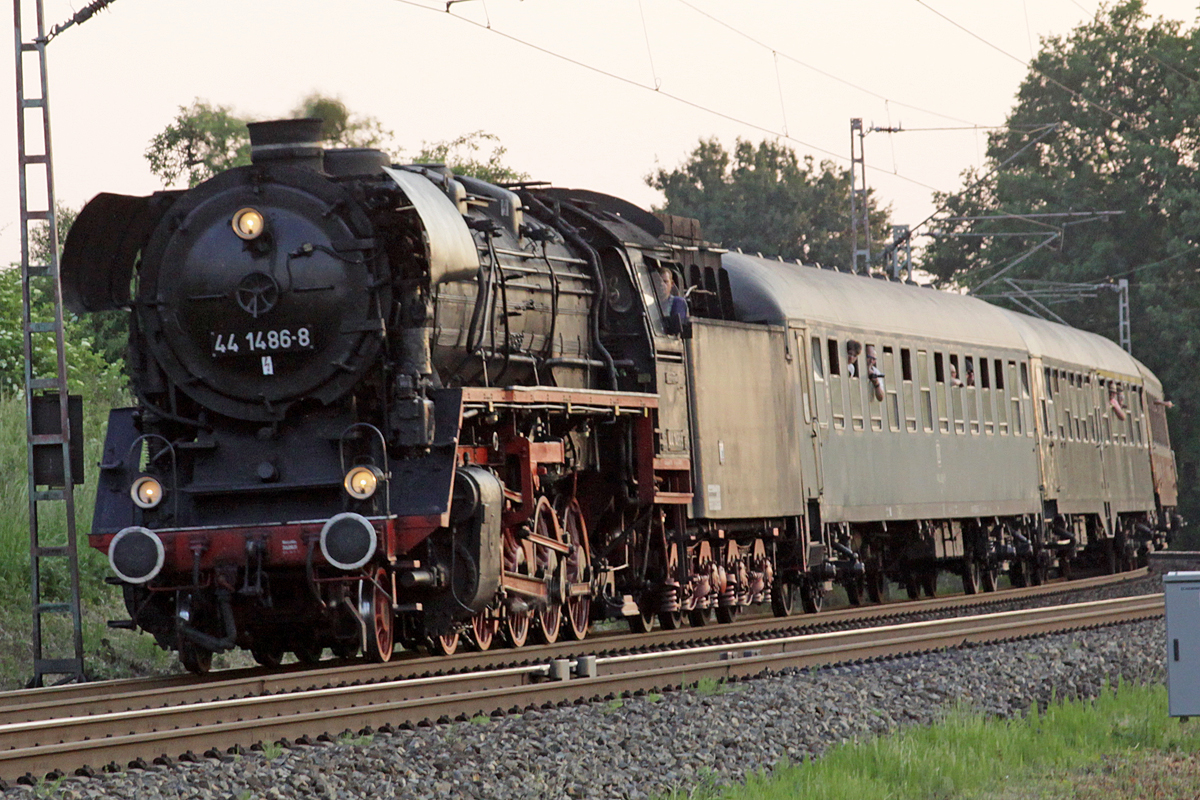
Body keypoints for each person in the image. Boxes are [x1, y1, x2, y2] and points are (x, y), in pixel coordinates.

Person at [656, 265, 689, 335]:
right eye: (658, 281)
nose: (661, 284)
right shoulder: (648, 303)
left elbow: (678, 332)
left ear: (672, 284)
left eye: (665, 281)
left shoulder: (678, 302)